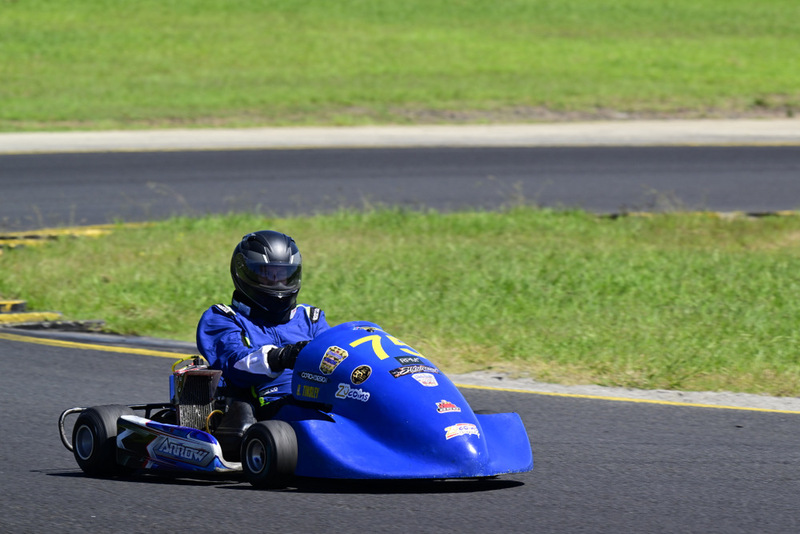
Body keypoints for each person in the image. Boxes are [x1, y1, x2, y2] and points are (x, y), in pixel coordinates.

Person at [196, 230, 329, 417]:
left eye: (284, 275)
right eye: (268, 275)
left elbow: (337, 355)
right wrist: (280, 357)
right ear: (245, 273)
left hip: (320, 399)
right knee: (301, 415)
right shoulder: (223, 318)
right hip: (267, 407)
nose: (278, 284)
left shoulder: (310, 318)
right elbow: (235, 362)